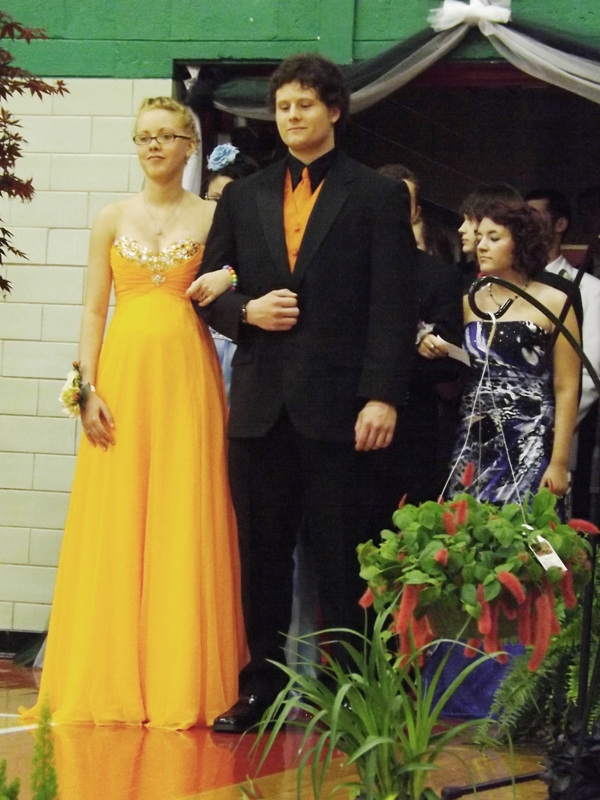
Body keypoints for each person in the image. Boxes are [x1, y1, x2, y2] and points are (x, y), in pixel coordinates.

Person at [190, 53, 418, 733]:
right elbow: (208, 288)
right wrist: (246, 312)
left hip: (342, 409)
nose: (292, 116)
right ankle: (260, 690)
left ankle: (350, 696)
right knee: (261, 559)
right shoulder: (244, 195)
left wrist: (383, 396)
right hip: (260, 407)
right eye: (283, 106)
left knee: (344, 559)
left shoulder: (375, 195)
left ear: (334, 110)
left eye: (305, 105)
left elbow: (393, 306)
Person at [22, 97, 247, 730]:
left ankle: (179, 674)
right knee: (118, 515)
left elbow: (245, 273)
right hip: (121, 376)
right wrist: (85, 389)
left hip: (187, 377)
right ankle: (111, 674)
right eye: (144, 136)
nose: (153, 146)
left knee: (183, 511)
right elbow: (93, 309)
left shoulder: (215, 216)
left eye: (166, 136)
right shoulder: (111, 217)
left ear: (189, 145)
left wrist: (228, 279)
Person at [446, 199, 580, 506]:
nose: (481, 246)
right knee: (466, 525)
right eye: (480, 237)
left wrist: (559, 462)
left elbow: (567, 385)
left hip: (530, 435)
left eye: (494, 238)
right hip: (475, 434)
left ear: (520, 243)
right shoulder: (469, 301)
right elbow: (464, 369)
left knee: (527, 524)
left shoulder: (555, 301)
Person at [374, 163, 465, 507]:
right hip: (339, 424)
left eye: (402, 202)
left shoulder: (440, 277)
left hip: (411, 427)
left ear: (415, 211)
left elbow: (448, 363)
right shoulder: (339, 266)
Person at [526, 188, 600, 518]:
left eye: (535, 215)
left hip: (559, 431)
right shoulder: (514, 283)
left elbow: (589, 373)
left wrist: (553, 428)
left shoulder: (591, 291)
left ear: (560, 224)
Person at [202, 143, 260, 400]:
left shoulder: (258, 241)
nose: (220, 209)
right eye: (214, 199)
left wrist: (230, 276)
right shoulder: (191, 235)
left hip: (242, 352)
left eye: (228, 200)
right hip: (199, 346)